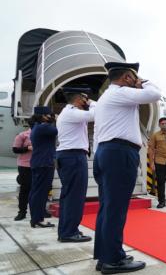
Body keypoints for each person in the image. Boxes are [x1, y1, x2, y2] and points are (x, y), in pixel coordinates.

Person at [93, 62, 161, 273]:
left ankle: (105, 254)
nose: (137, 80)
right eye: (134, 76)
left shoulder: (106, 97)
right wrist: (144, 82)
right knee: (116, 209)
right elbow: (155, 94)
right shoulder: (121, 92)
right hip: (119, 153)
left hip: (105, 151)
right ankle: (113, 260)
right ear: (126, 78)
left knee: (107, 207)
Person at [56, 87, 96, 243]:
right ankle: (69, 232)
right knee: (74, 196)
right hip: (73, 157)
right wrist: (92, 102)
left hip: (69, 156)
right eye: (85, 98)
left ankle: (67, 230)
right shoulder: (72, 113)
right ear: (80, 98)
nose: (87, 101)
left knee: (69, 196)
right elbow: (98, 113)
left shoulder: (69, 112)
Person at [29, 106, 57, 228]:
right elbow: (57, 130)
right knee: (40, 192)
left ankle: (36, 217)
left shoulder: (36, 127)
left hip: (39, 162)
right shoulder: (43, 128)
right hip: (44, 163)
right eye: (49, 115)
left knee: (36, 191)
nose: (51, 116)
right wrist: (57, 119)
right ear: (43, 116)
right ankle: (37, 219)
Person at [12, 121, 34, 221]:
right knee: (25, 189)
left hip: (39, 165)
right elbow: (15, 149)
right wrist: (27, 148)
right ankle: (22, 212)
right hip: (25, 165)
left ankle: (40, 210)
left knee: (40, 189)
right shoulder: (23, 135)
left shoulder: (44, 136)